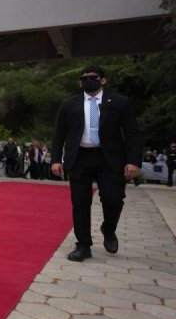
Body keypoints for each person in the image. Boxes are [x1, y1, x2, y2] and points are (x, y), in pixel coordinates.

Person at [51, 65, 142, 262]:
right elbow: (59, 134)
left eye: (92, 77)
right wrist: (56, 159)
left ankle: (108, 229)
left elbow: (132, 133)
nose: (88, 81)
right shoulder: (69, 104)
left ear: (103, 80)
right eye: (83, 78)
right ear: (80, 82)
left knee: (113, 198)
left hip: (109, 158)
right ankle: (83, 245)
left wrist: (133, 161)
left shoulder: (119, 102)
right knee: (80, 203)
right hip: (79, 157)